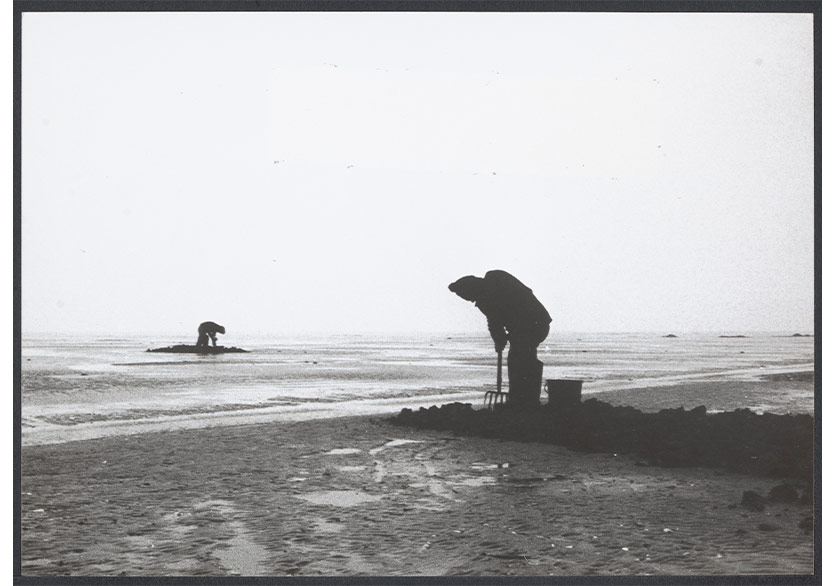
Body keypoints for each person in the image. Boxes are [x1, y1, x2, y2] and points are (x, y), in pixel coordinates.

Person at [449, 270, 551, 407]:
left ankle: (524, 400)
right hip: (531, 325)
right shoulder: (490, 285)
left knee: (520, 360)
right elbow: (496, 320)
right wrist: (500, 339)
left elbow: (495, 320)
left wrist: (499, 339)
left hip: (533, 324)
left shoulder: (491, 287)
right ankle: (523, 399)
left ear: (473, 288)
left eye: (469, 296)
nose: (471, 300)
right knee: (522, 360)